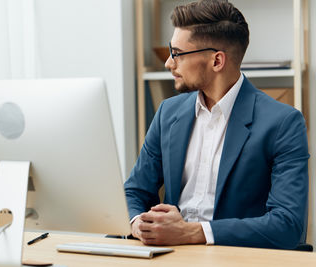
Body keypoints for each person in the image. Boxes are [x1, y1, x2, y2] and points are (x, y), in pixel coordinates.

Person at [124, 0, 309, 249]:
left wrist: (191, 233)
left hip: (236, 258)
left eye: (177, 53)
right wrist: (138, 223)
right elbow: (134, 191)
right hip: (168, 254)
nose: (168, 63)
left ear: (217, 61)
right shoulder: (169, 112)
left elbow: (287, 225)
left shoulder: (283, 123)